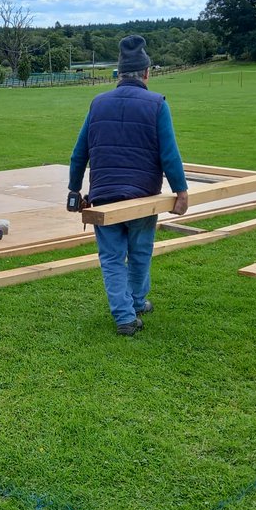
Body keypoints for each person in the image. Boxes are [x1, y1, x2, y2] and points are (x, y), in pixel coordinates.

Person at [68, 35, 189, 336]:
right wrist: (181, 191)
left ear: (119, 75)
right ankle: (134, 303)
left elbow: (79, 153)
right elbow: (169, 154)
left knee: (110, 258)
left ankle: (126, 314)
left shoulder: (98, 103)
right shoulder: (157, 104)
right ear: (147, 73)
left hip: (104, 196)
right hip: (142, 198)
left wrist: (73, 189)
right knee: (139, 253)